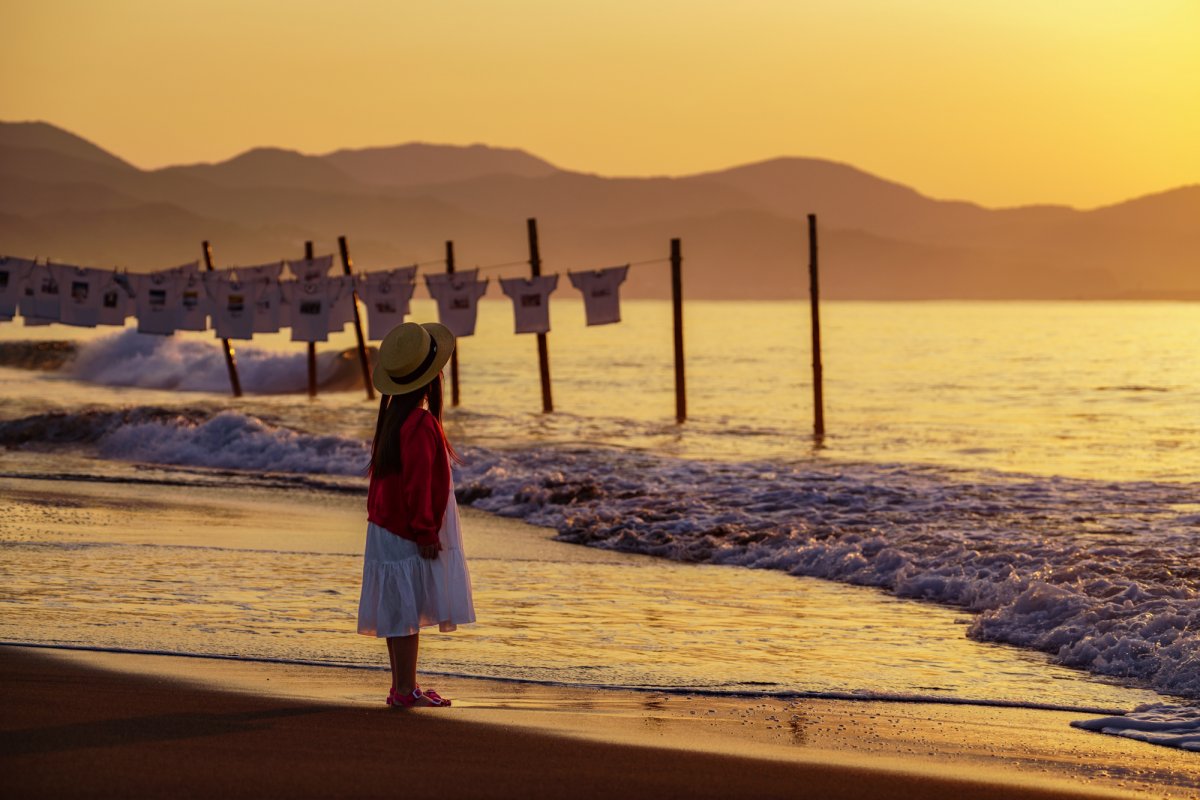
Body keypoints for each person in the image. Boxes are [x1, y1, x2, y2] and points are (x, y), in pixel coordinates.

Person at [358, 321, 475, 708]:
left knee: (396, 608)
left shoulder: (392, 420)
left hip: (383, 526)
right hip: (406, 527)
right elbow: (418, 485)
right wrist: (426, 532)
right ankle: (406, 690)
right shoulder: (422, 424)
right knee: (404, 609)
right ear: (432, 380)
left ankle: (401, 687)